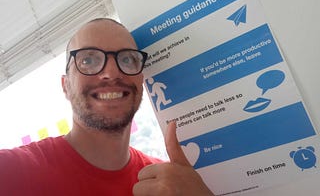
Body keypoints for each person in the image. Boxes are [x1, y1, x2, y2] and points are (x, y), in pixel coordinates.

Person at [0, 18, 214, 196]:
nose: (111, 73)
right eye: (88, 60)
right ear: (66, 86)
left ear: (141, 79)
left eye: (128, 59)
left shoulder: (167, 185)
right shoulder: (11, 171)